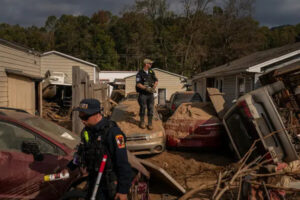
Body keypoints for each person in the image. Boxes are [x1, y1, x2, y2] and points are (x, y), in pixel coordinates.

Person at [66, 98, 132, 200]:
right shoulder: (87, 132)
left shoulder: (113, 133)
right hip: (93, 180)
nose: (82, 120)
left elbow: (122, 163)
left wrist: (122, 191)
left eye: (86, 117)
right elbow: (81, 153)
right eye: (80, 116)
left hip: (109, 184)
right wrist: (69, 168)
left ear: (97, 115)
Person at [136, 58, 158, 130]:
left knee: (151, 108)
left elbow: (156, 80)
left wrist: (153, 87)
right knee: (143, 108)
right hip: (143, 94)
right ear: (146, 64)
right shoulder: (140, 73)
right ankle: (142, 122)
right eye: (150, 63)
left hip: (150, 95)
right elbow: (138, 84)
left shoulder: (152, 72)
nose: (151, 64)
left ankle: (150, 123)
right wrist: (146, 88)